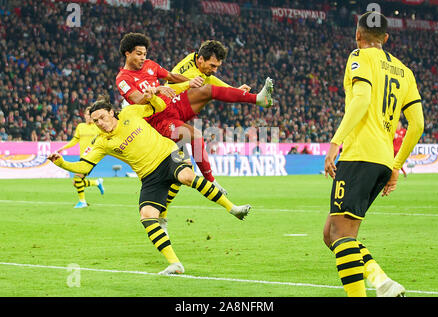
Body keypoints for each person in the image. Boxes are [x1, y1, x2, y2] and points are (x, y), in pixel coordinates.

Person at [47, 94, 251, 275]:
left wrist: (152, 96)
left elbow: (159, 105)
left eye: (102, 117)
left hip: (169, 155)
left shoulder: (130, 113)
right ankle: (175, 264)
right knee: (147, 215)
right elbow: (84, 167)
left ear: (112, 112)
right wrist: (62, 163)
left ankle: (233, 209)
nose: (100, 123)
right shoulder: (101, 142)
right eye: (95, 121)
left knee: (186, 176)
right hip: (149, 176)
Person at [322, 11, 424, 297]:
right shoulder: (405, 71)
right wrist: (395, 165)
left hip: (359, 156)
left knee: (341, 236)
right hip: (382, 160)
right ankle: (381, 282)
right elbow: (417, 125)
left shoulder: (359, 56)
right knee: (331, 234)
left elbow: (362, 98)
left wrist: (335, 143)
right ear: (386, 38)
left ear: (358, 35)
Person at [116, 34, 273, 198]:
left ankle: (258, 99)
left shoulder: (150, 65)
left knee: (206, 90)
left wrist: (192, 84)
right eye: (139, 54)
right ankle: (210, 181)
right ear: (127, 53)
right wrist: (156, 90)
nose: (143, 58)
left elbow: (171, 76)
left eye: (144, 54)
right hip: (157, 121)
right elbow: (138, 99)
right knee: (194, 138)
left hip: (171, 104)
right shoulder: (122, 79)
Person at [55, 106, 104, 208]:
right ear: (84, 115)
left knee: (77, 177)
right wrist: (63, 148)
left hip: (92, 157)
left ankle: (82, 202)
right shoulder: (80, 126)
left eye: (91, 115)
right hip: (83, 157)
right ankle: (96, 182)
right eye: (87, 114)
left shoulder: (97, 127)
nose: (89, 117)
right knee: (76, 182)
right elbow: (74, 140)